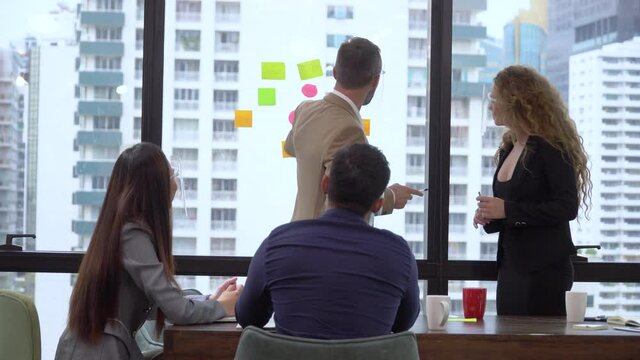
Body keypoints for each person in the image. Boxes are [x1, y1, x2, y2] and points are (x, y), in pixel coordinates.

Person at [55, 143, 243, 360]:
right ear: (155, 186)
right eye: (171, 173)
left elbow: (159, 302)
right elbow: (176, 310)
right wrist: (221, 307)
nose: (175, 180)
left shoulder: (123, 228)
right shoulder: (132, 234)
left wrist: (212, 300)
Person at [236, 143, 420, 339]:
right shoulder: (398, 254)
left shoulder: (277, 244)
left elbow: (248, 317)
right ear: (378, 204)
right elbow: (403, 324)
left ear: (325, 184)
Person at [473, 65, 592, 316]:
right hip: (511, 266)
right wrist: (490, 216)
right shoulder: (509, 147)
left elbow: (566, 206)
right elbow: (512, 212)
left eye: (494, 98)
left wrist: (506, 209)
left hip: (544, 270)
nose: (490, 105)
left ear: (516, 102)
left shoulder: (551, 147)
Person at [284, 36, 423, 221]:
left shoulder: (305, 109)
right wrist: (391, 197)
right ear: (375, 80)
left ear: (335, 72)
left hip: (298, 232)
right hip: (327, 241)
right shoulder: (349, 130)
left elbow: (291, 147)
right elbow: (345, 201)